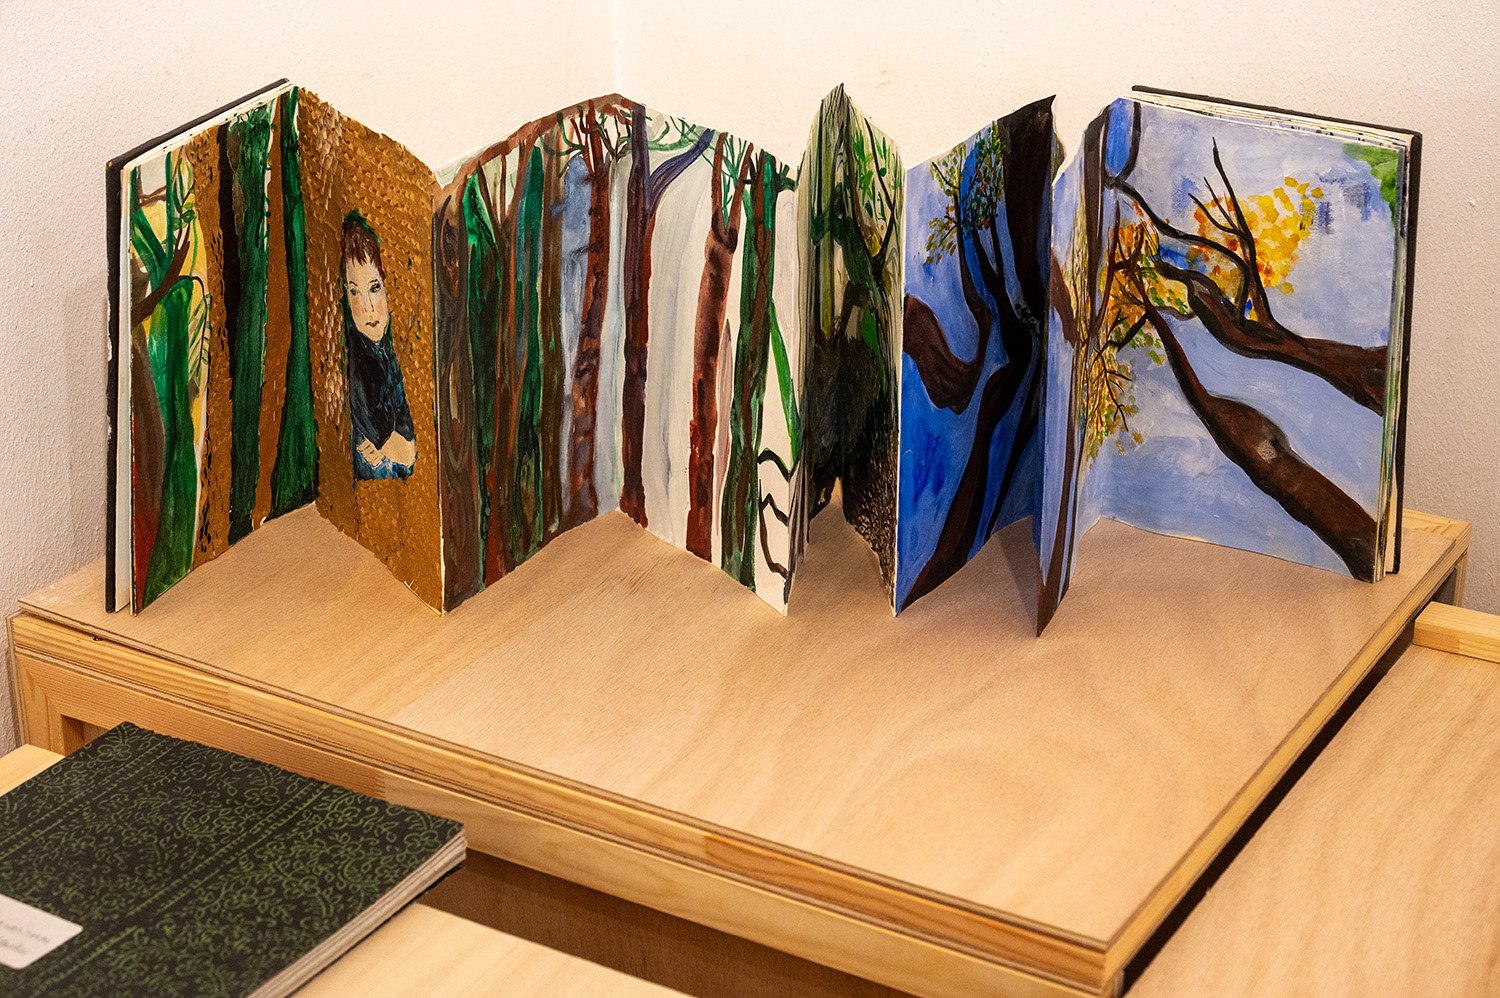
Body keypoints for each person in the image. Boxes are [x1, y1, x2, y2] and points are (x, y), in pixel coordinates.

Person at [341, 211, 416, 481]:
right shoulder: (361, 365)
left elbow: (405, 429)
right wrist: (405, 450)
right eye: (355, 292)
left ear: (388, 287)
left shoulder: (387, 350)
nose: (367, 307)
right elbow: (403, 451)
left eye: (374, 288)